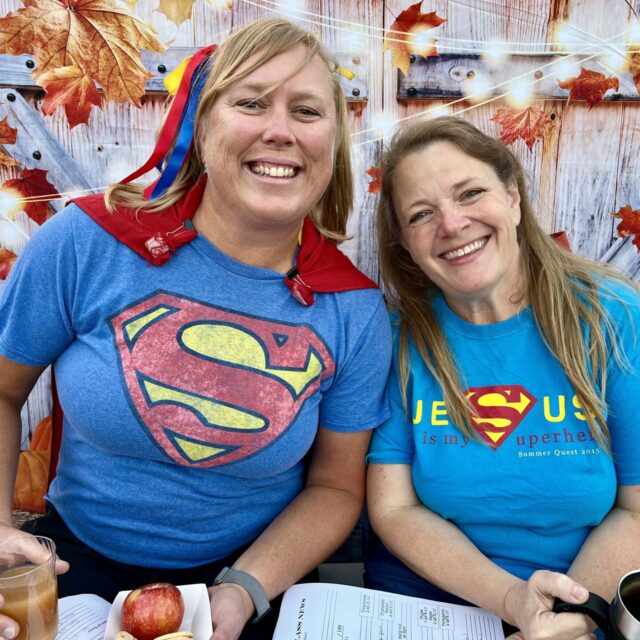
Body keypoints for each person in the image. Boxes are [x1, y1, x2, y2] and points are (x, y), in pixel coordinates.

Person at [0, 18, 392, 640]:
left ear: (334, 143)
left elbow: (336, 487)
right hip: (74, 567)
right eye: (251, 103)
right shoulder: (88, 242)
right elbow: (3, 390)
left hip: (249, 579)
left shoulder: (354, 311)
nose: (280, 130)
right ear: (202, 127)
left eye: (307, 110)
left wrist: (242, 592)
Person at [365, 116, 640, 640]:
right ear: (404, 242)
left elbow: (637, 511)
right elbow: (394, 507)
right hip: (429, 603)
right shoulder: (399, 337)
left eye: (470, 193)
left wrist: (560, 620)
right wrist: (514, 601)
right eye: (422, 214)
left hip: (584, 601)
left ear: (513, 197)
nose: (452, 224)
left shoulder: (613, 317)